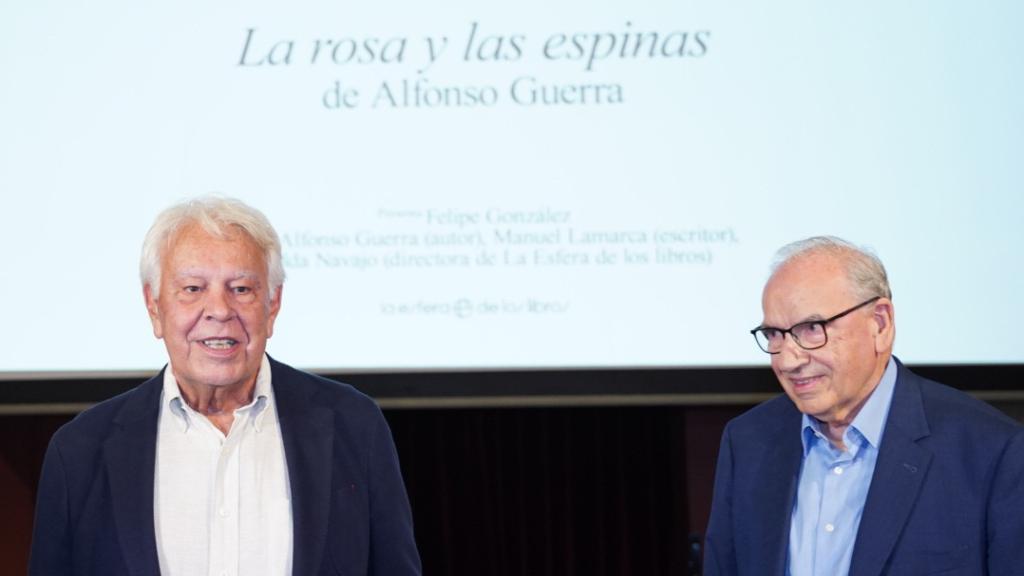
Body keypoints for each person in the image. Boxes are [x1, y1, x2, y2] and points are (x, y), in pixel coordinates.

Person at [29, 196, 422, 576]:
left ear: (273, 305)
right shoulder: (80, 451)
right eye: (193, 289)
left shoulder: (353, 425)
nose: (219, 310)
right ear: (154, 306)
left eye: (241, 289)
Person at [704, 236, 1024, 576]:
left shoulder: (991, 452)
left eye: (811, 329)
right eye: (774, 335)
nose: (787, 359)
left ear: (880, 323)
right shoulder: (748, 441)